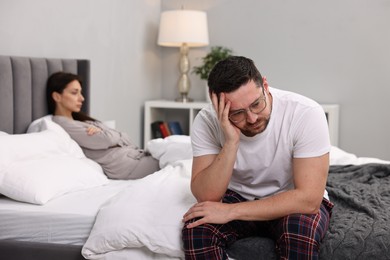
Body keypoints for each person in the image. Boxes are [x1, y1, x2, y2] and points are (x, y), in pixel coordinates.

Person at [181, 56, 334, 259]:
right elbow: (207, 197)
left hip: (290, 197)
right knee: (196, 230)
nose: (252, 118)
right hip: (238, 194)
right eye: (238, 113)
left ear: (265, 85)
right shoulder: (207, 121)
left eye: (256, 104)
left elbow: (309, 199)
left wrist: (231, 212)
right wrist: (231, 143)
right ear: (218, 107)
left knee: (298, 236)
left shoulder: (305, 113)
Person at [46, 71, 160, 180]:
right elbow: (106, 140)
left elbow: (126, 139)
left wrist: (108, 135)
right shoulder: (64, 125)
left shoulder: (82, 121)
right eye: (74, 93)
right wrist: (112, 135)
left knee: (174, 151)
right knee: (174, 159)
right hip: (126, 166)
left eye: (81, 92)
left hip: (135, 157)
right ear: (57, 97)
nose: (82, 98)